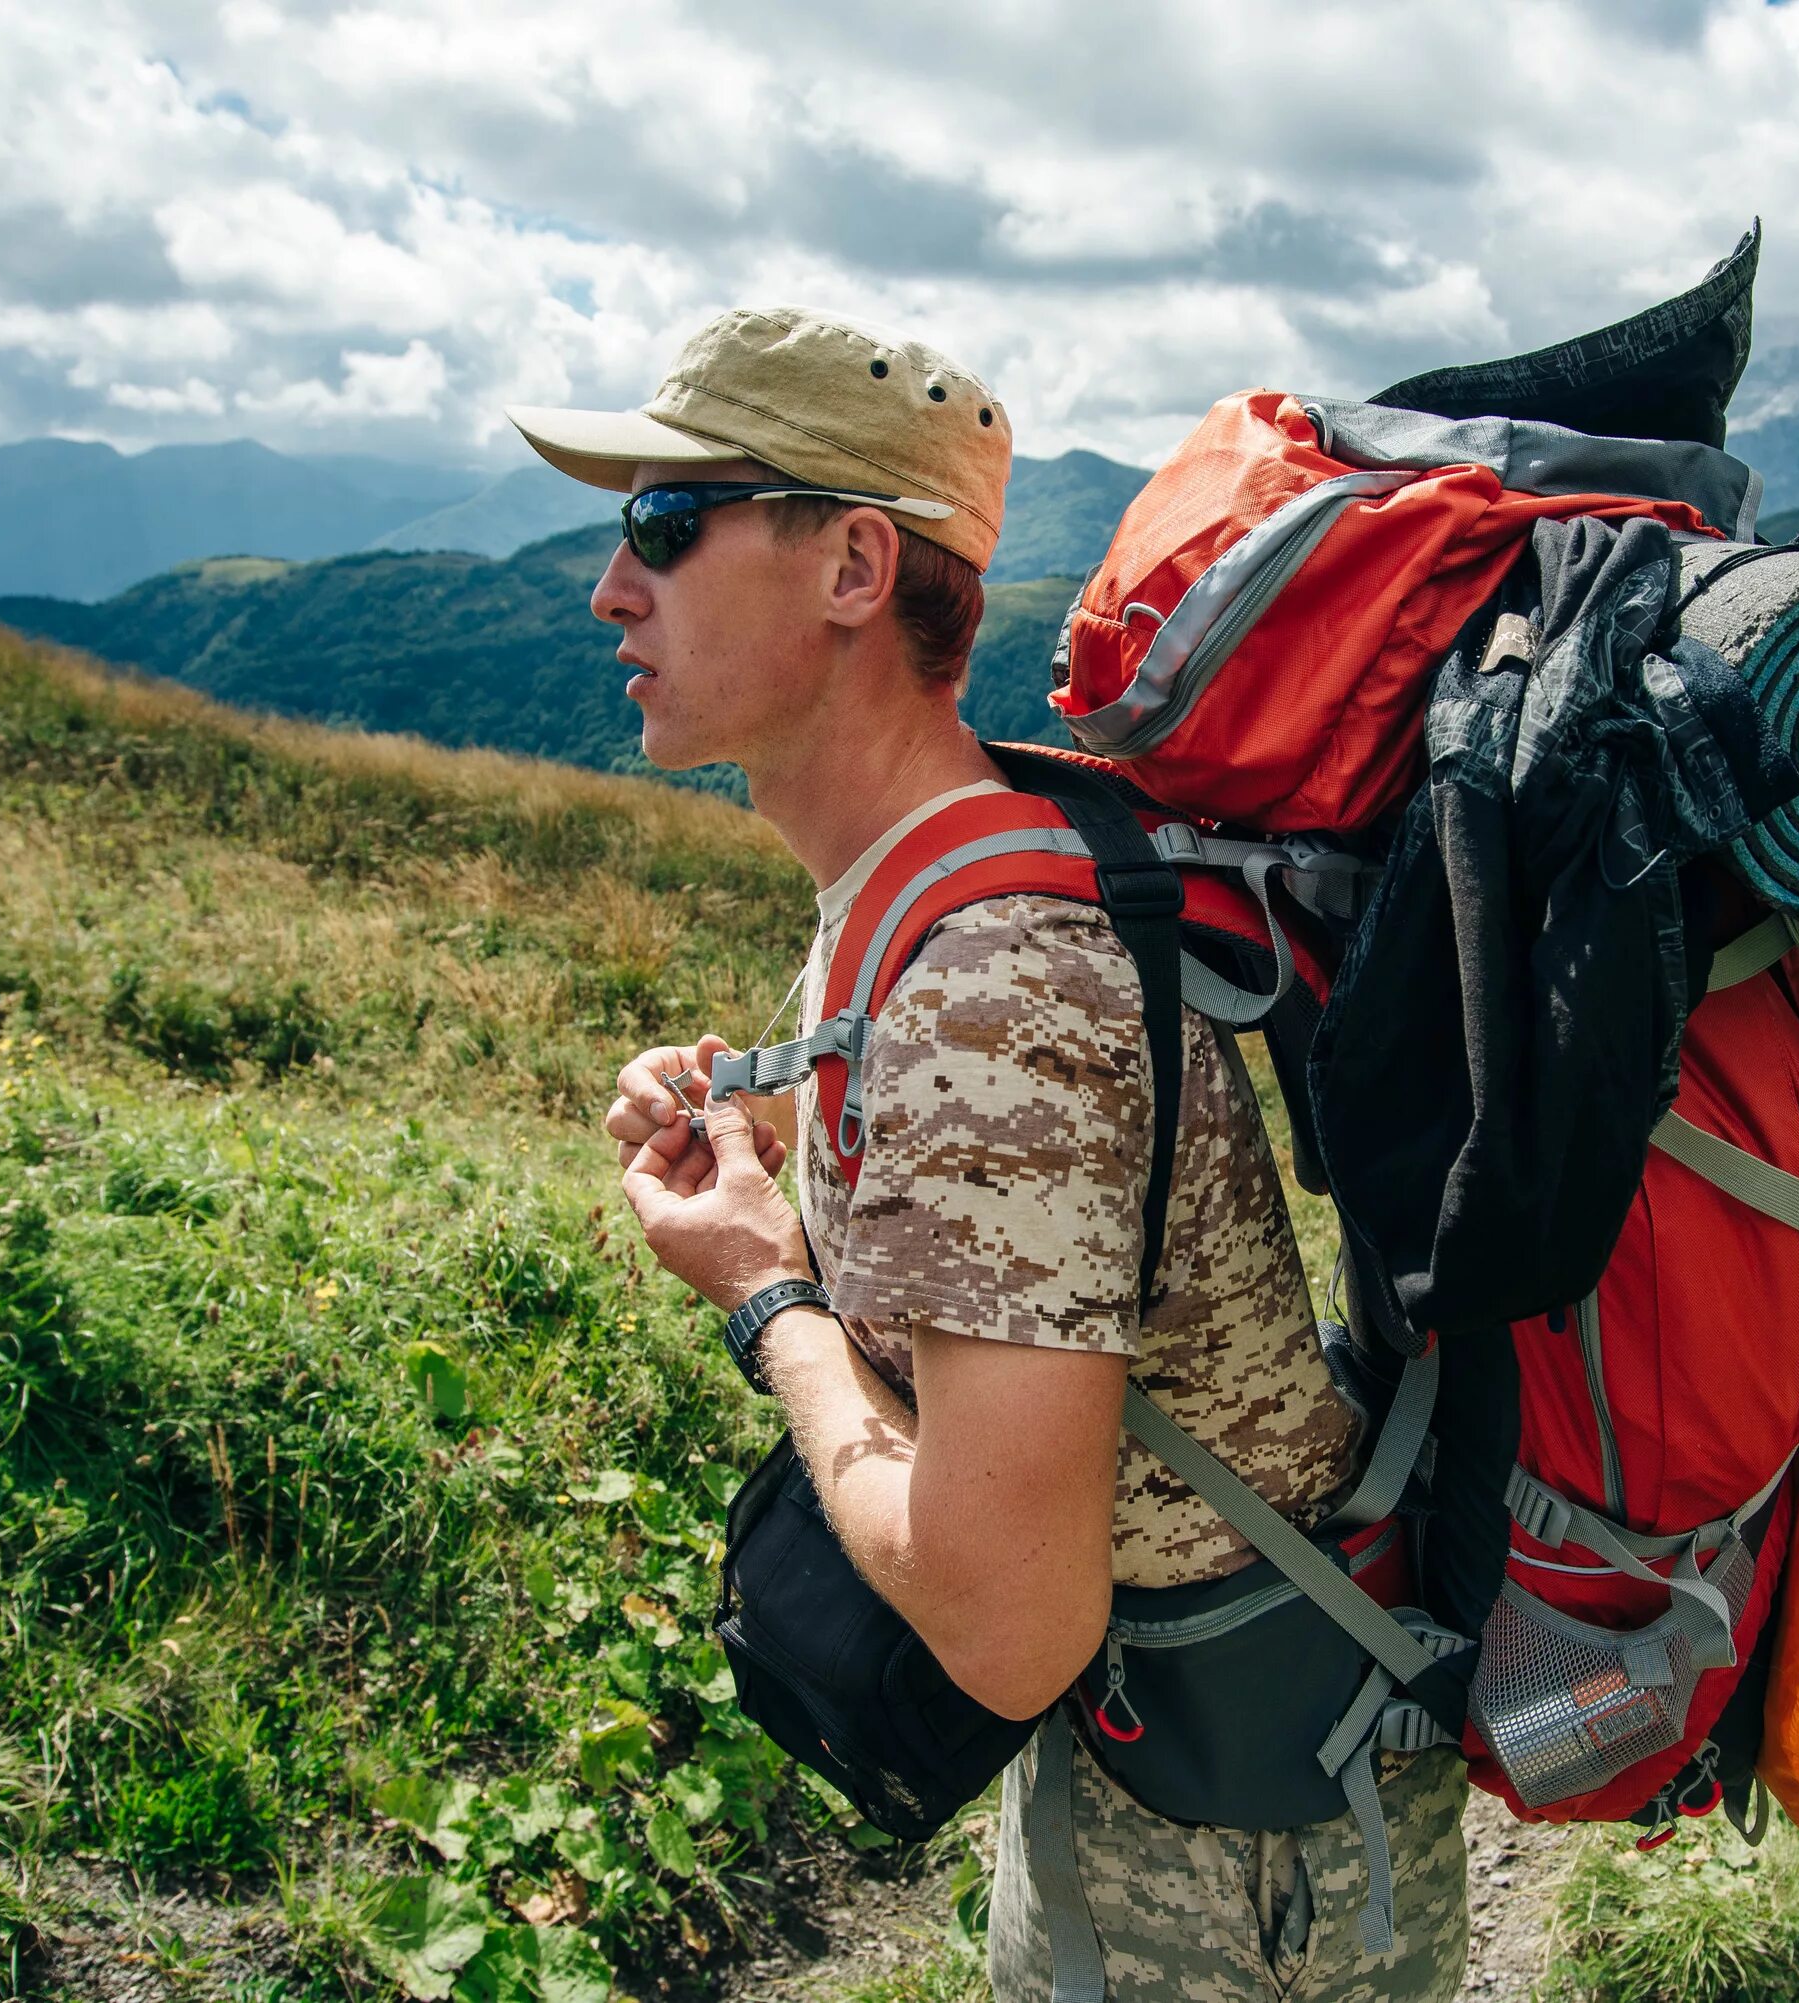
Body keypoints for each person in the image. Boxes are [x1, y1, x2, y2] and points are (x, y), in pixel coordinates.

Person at [510, 307, 1468, 2001]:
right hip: (1194, 1767)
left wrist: (765, 1302)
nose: (611, 584)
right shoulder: (956, 858)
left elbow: (1006, 1627)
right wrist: (753, 1107)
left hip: (1228, 1860)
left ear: (855, 565)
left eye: (667, 522)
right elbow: (952, 1168)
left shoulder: (992, 985)